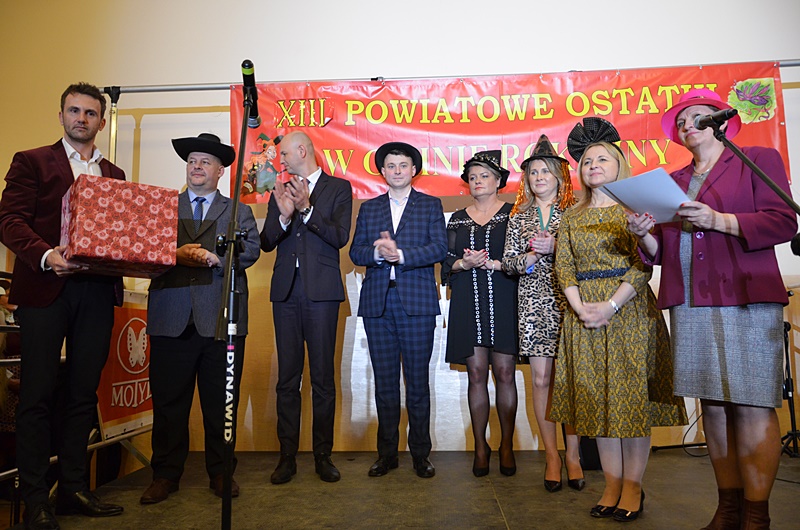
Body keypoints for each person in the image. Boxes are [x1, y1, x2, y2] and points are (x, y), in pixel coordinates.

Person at [628, 88, 796, 529]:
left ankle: (757, 515)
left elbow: (784, 220)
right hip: (691, 301)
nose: (688, 125)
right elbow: (661, 251)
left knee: (753, 403)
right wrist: (643, 233)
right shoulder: (673, 181)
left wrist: (719, 220)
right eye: (681, 122)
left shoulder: (755, 159)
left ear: (720, 122)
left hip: (746, 295)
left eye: (698, 117)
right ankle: (728, 508)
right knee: (714, 406)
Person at [0, 82, 125, 529]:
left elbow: (120, 235)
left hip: (96, 293)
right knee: (36, 394)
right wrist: (46, 255)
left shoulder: (114, 174)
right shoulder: (31, 161)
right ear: (61, 116)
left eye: (90, 113)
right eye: (74, 111)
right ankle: (36, 499)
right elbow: (9, 221)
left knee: (82, 395)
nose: (81, 119)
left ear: (101, 122)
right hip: (45, 288)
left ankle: (73, 489)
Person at [550, 117, 687, 522]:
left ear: (619, 165)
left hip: (628, 313)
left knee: (630, 403)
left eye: (602, 159)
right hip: (583, 317)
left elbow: (643, 266)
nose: (593, 165)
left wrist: (609, 306)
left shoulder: (634, 211)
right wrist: (580, 308)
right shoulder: (571, 216)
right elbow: (564, 268)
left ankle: (633, 487)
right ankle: (611, 485)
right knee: (598, 404)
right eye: (587, 161)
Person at [140, 133, 260, 505]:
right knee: (168, 403)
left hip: (220, 320)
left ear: (220, 171)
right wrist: (175, 254)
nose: (196, 166)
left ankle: (222, 473)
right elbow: (144, 250)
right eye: (192, 160)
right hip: (169, 318)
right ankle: (165, 475)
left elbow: (251, 250)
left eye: (205, 161)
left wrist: (217, 259)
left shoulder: (237, 210)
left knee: (221, 403)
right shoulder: (162, 206)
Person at [349, 141, 447, 478]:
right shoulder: (370, 208)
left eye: (403, 165)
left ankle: (421, 454)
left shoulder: (430, 205)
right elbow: (356, 252)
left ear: (414, 170)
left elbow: (439, 248)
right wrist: (378, 254)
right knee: (385, 384)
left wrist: (400, 255)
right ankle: (387, 454)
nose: (397, 171)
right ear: (382, 171)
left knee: (417, 384)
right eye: (391, 166)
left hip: (417, 304)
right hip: (378, 304)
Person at [260, 131, 353, 484]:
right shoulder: (280, 189)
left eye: (284, 153)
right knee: (287, 378)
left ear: (302, 150)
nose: (281, 160)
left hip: (322, 293)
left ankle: (322, 455)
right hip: (286, 292)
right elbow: (267, 242)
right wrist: (284, 217)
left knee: (323, 378)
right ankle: (287, 456)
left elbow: (339, 236)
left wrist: (306, 209)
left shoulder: (338, 187)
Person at [502, 135, 583, 492]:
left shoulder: (576, 212)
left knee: (571, 382)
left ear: (560, 177)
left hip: (571, 303)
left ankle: (573, 455)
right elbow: (508, 264)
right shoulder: (518, 217)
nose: (539, 177)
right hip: (534, 304)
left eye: (545, 171)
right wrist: (534, 256)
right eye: (533, 172)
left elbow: (587, 258)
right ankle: (551, 455)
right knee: (540, 380)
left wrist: (557, 246)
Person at [441, 151, 518, 477]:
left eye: (484, 175)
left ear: (498, 181)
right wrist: (464, 263)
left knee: (505, 373)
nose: (477, 181)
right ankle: (480, 446)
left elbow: (522, 258)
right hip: (467, 301)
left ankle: (507, 445)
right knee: (476, 374)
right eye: (472, 177)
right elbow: (446, 261)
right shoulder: (458, 219)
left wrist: (497, 264)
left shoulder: (514, 214)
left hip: (504, 298)